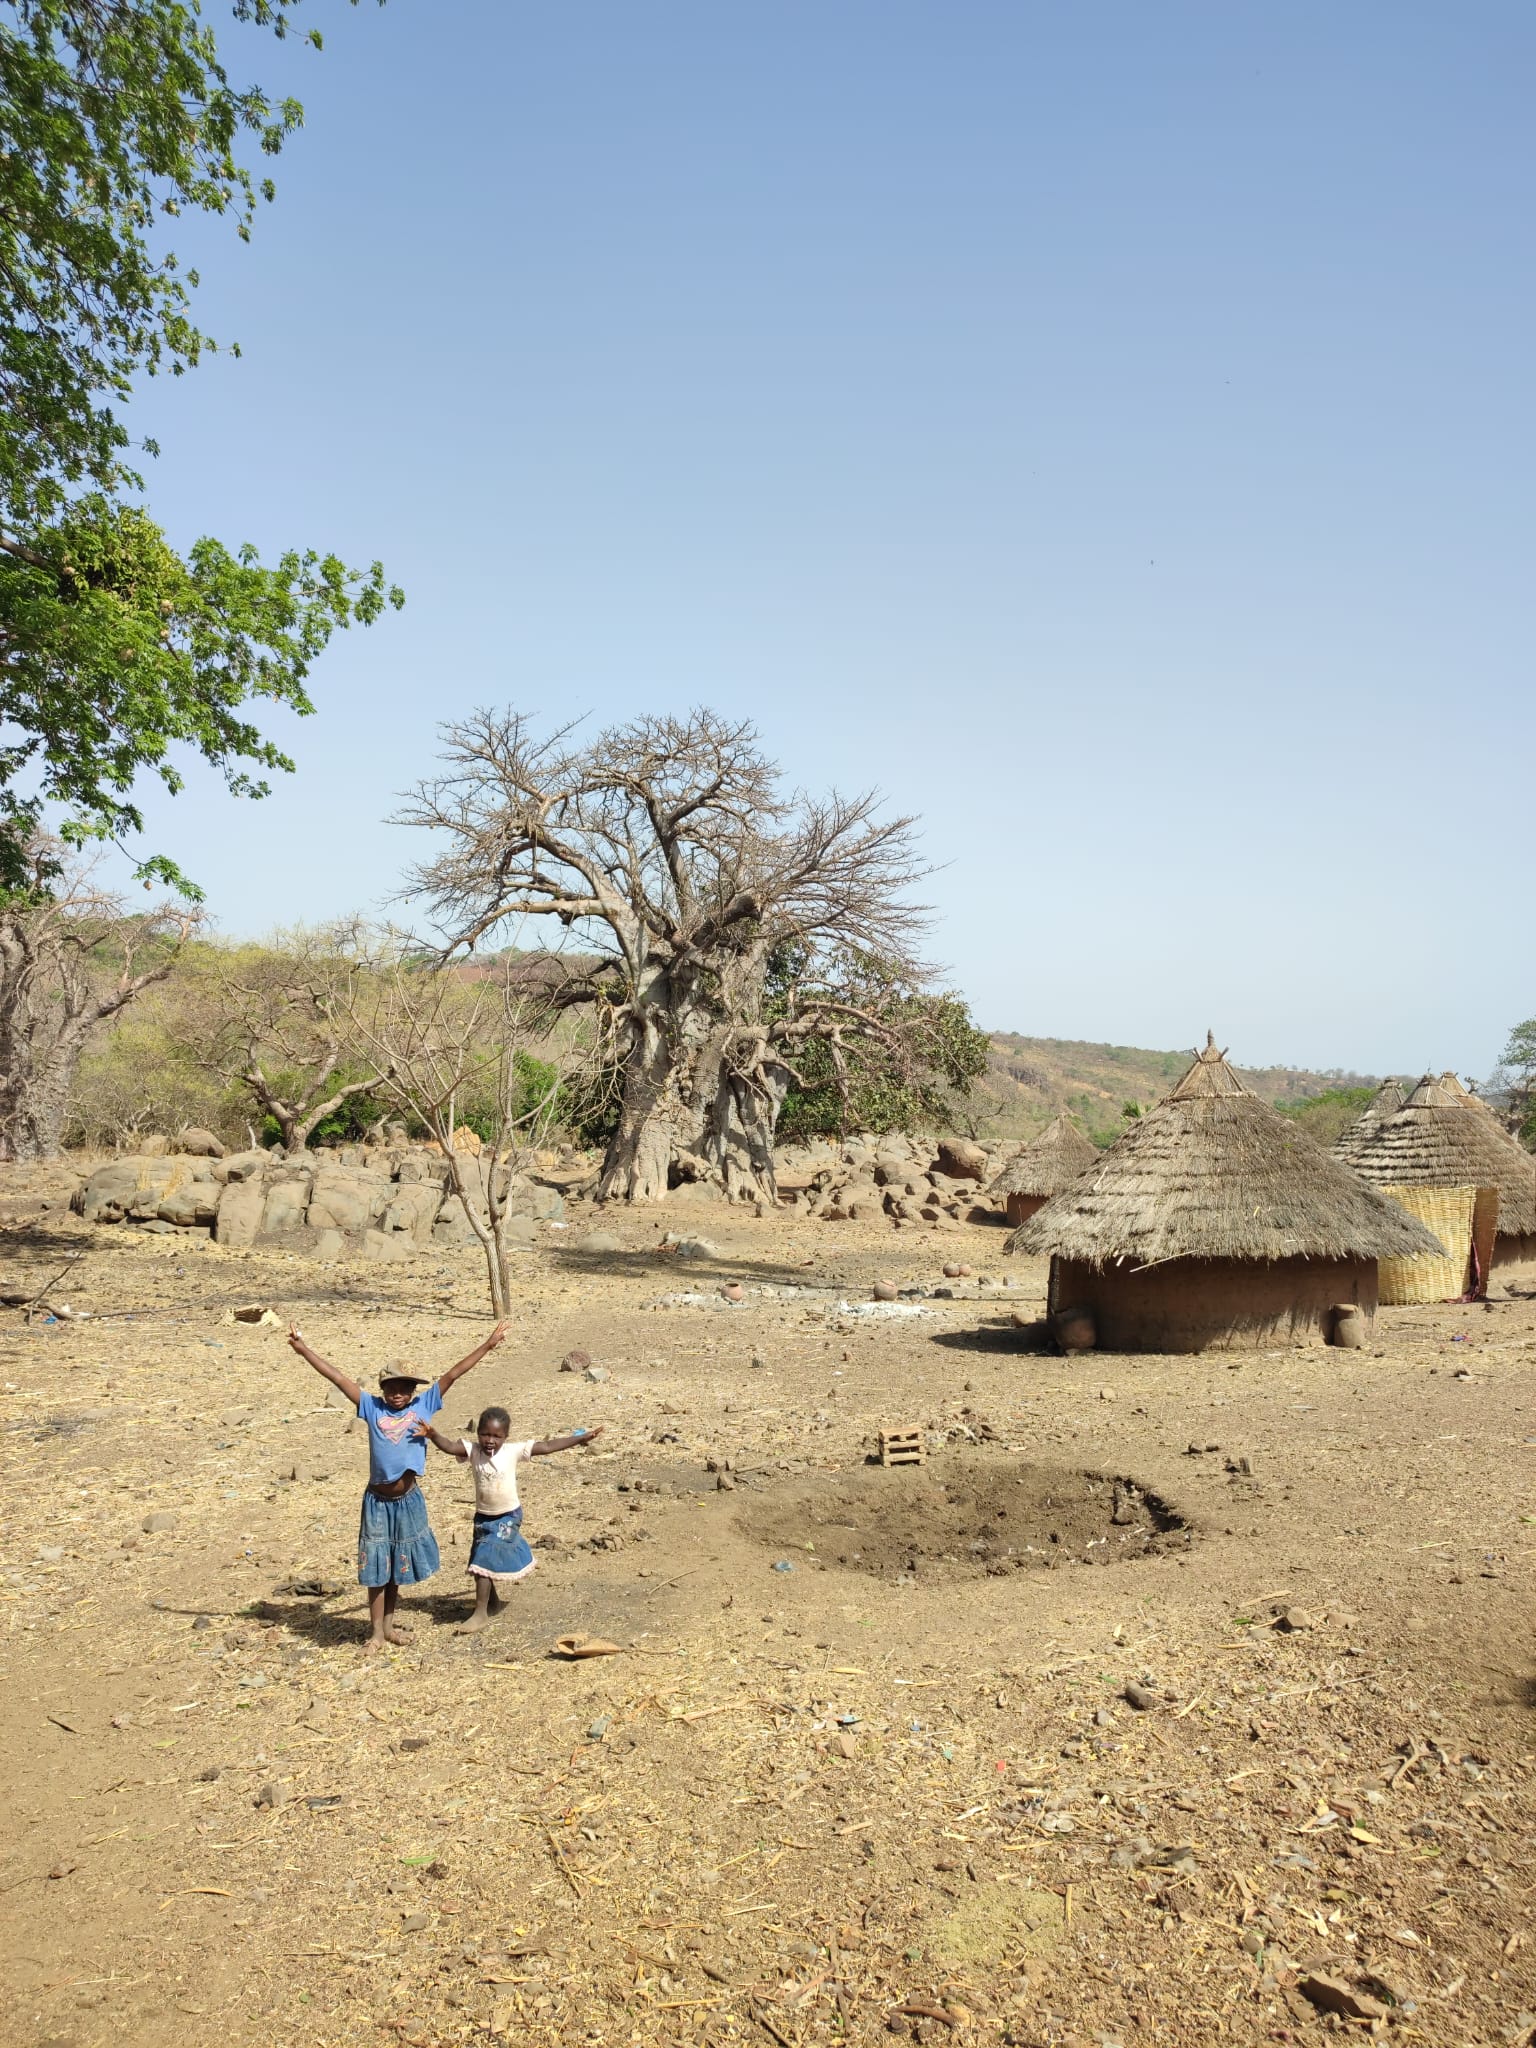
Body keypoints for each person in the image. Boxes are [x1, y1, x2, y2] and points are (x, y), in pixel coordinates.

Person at [286, 1320, 508, 1650]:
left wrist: (489, 1345)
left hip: (408, 1501)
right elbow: (337, 1377)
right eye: (392, 1387)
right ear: (382, 1388)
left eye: (405, 1388)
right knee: (376, 1568)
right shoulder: (370, 1406)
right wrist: (303, 1350)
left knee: (395, 1567)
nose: (398, 1394)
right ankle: (375, 1632)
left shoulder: (424, 1406)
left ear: (415, 1391)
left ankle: (388, 1627)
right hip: (377, 1502)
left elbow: (453, 1374)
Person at [414, 1407, 605, 1633]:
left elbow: (546, 1447)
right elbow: (449, 1446)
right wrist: (432, 1434)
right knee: (478, 1562)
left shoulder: (513, 1451)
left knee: (484, 1557)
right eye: (485, 1434)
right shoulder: (473, 1451)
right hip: (483, 1516)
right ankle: (492, 1602)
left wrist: (580, 1438)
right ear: (478, 1434)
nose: (490, 1440)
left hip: (508, 1516)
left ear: (506, 1436)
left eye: (497, 1436)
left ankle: (480, 1613)